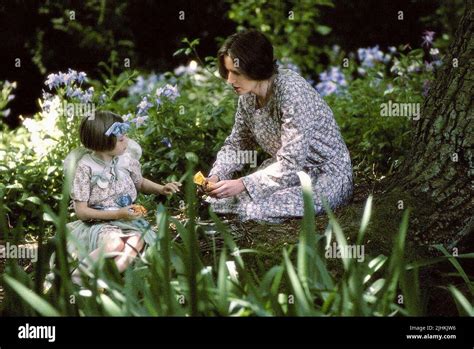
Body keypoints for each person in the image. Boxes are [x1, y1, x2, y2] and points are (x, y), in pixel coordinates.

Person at [205, 30, 353, 223]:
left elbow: (291, 162)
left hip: (324, 176)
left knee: (253, 210)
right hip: (283, 173)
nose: (230, 81)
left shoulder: (292, 91)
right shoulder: (248, 98)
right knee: (215, 202)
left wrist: (243, 183)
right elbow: (237, 144)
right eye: (227, 72)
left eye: (236, 73)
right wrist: (217, 175)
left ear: (256, 68)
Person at [65, 111, 181, 277]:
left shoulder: (126, 159)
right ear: (102, 142)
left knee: (136, 240)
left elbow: (139, 182)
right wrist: (118, 213)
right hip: (99, 223)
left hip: (129, 220)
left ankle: (108, 278)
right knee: (114, 243)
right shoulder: (85, 168)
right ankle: (78, 278)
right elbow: (82, 212)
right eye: (121, 139)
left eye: (125, 136)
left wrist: (161, 189)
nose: (126, 140)